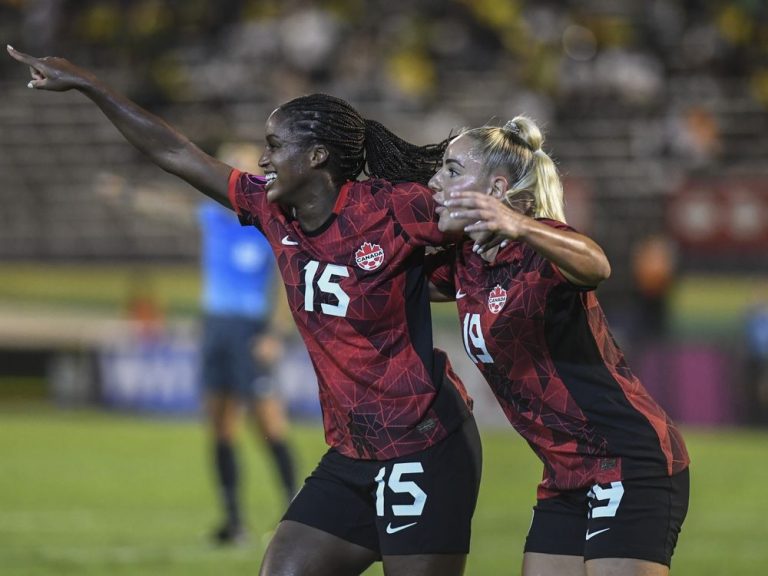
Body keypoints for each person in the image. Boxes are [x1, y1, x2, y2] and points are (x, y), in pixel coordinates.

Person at [8, 46, 481, 576]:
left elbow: (488, 230)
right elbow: (175, 152)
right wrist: (91, 85)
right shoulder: (267, 208)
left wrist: (453, 277)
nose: (262, 159)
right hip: (353, 452)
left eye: (275, 146)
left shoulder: (390, 208)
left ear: (317, 156)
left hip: (425, 442)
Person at [426, 117, 690, 576]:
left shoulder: (538, 247)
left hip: (629, 460)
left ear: (498, 187)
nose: (435, 181)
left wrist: (519, 224)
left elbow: (597, 265)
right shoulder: (466, 262)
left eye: (450, 170)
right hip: (563, 474)